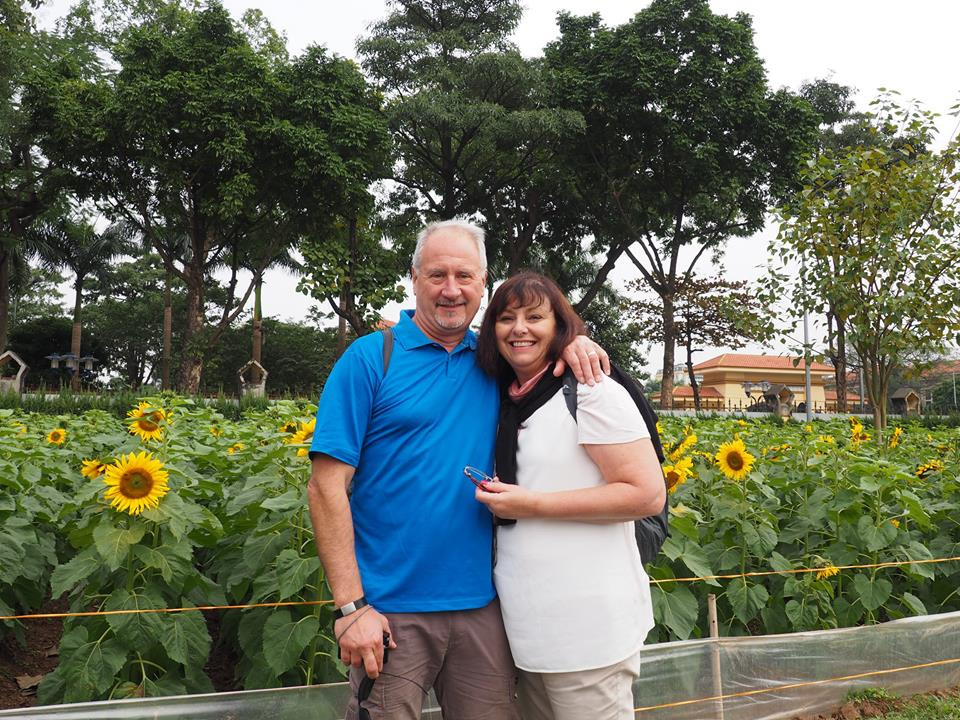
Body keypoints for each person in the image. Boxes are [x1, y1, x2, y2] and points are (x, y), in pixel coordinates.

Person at [306, 220, 608, 720]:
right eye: (437, 275)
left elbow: (542, 347)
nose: (452, 290)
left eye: (465, 276)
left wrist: (576, 342)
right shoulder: (371, 359)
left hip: (482, 608)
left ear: (483, 282)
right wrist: (351, 609)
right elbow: (325, 487)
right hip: (389, 611)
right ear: (414, 278)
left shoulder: (495, 361)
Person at [474, 271, 665, 720]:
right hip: (528, 630)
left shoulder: (590, 390)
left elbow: (646, 494)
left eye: (535, 317)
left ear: (560, 327)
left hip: (589, 633)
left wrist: (532, 504)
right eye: (506, 318)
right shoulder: (505, 398)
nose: (519, 329)